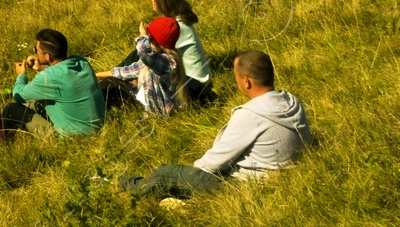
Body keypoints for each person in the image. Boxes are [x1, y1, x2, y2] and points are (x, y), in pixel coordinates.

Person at [118, 51, 312, 198]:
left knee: (165, 173)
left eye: (236, 76)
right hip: (283, 176)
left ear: (247, 82)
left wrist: (191, 175)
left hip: (250, 186)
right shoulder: (291, 101)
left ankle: (125, 185)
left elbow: (210, 165)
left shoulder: (250, 115)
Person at [1, 29, 105, 138]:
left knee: (11, 109)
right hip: (98, 128)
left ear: (48, 56)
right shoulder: (81, 62)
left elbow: (19, 95)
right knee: (34, 104)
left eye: (36, 50)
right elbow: (63, 74)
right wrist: (41, 67)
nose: (35, 52)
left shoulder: (48, 77)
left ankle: (2, 142)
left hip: (72, 138)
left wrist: (21, 75)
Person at [101, 17, 184, 116]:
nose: (147, 42)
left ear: (156, 42)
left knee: (109, 85)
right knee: (111, 82)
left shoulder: (168, 61)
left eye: (149, 39)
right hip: (146, 101)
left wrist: (143, 35)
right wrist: (94, 75)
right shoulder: (157, 59)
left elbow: (142, 50)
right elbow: (128, 71)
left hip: (155, 110)